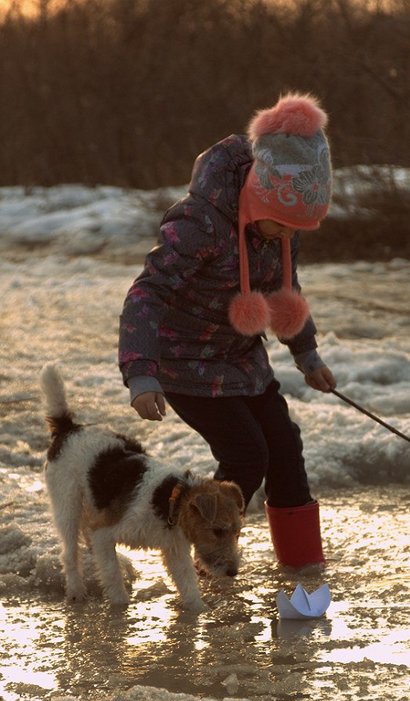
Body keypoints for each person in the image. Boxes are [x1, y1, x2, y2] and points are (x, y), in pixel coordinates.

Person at [118, 92, 336, 568]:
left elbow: (285, 289)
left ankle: (301, 563)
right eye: (282, 224)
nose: (287, 235)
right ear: (259, 199)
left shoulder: (283, 228)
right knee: (247, 455)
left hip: (240, 360)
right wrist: (140, 373)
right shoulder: (200, 224)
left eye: (298, 227)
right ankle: (210, 559)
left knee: (284, 446)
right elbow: (147, 293)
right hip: (182, 364)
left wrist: (307, 353)